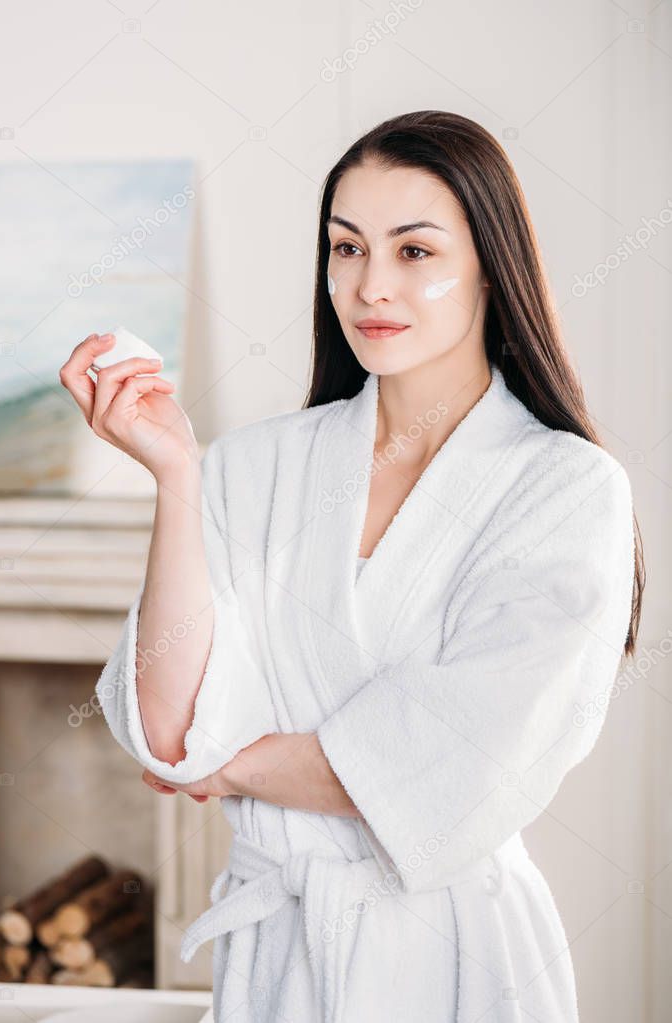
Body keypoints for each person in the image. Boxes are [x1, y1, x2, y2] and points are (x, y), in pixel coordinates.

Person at [60, 110, 644, 1022]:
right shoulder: (254, 465)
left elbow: (462, 767)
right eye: (346, 247)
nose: (370, 285)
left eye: (414, 252)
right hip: (275, 963)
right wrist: (178, 473)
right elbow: (169, 731)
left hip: (460, 966)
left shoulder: (565, 490)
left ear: (491, 263)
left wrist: (232, 765)